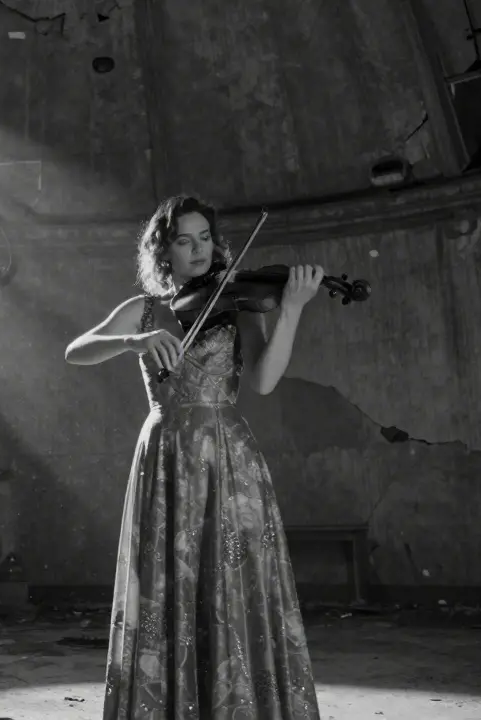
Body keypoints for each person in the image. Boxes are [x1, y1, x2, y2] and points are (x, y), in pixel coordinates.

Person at [64, 196, 324, 719]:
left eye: (205, 237)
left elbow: (266, 381)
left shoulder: (236, 306)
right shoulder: (143, 309)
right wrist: (135, 340)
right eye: (184, 240)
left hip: (227, 454)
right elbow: (77, 350)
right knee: (169, 584)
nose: (199, 249)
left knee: (230, 580)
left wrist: (291, 310)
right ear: (164, 250)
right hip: (165, 454)